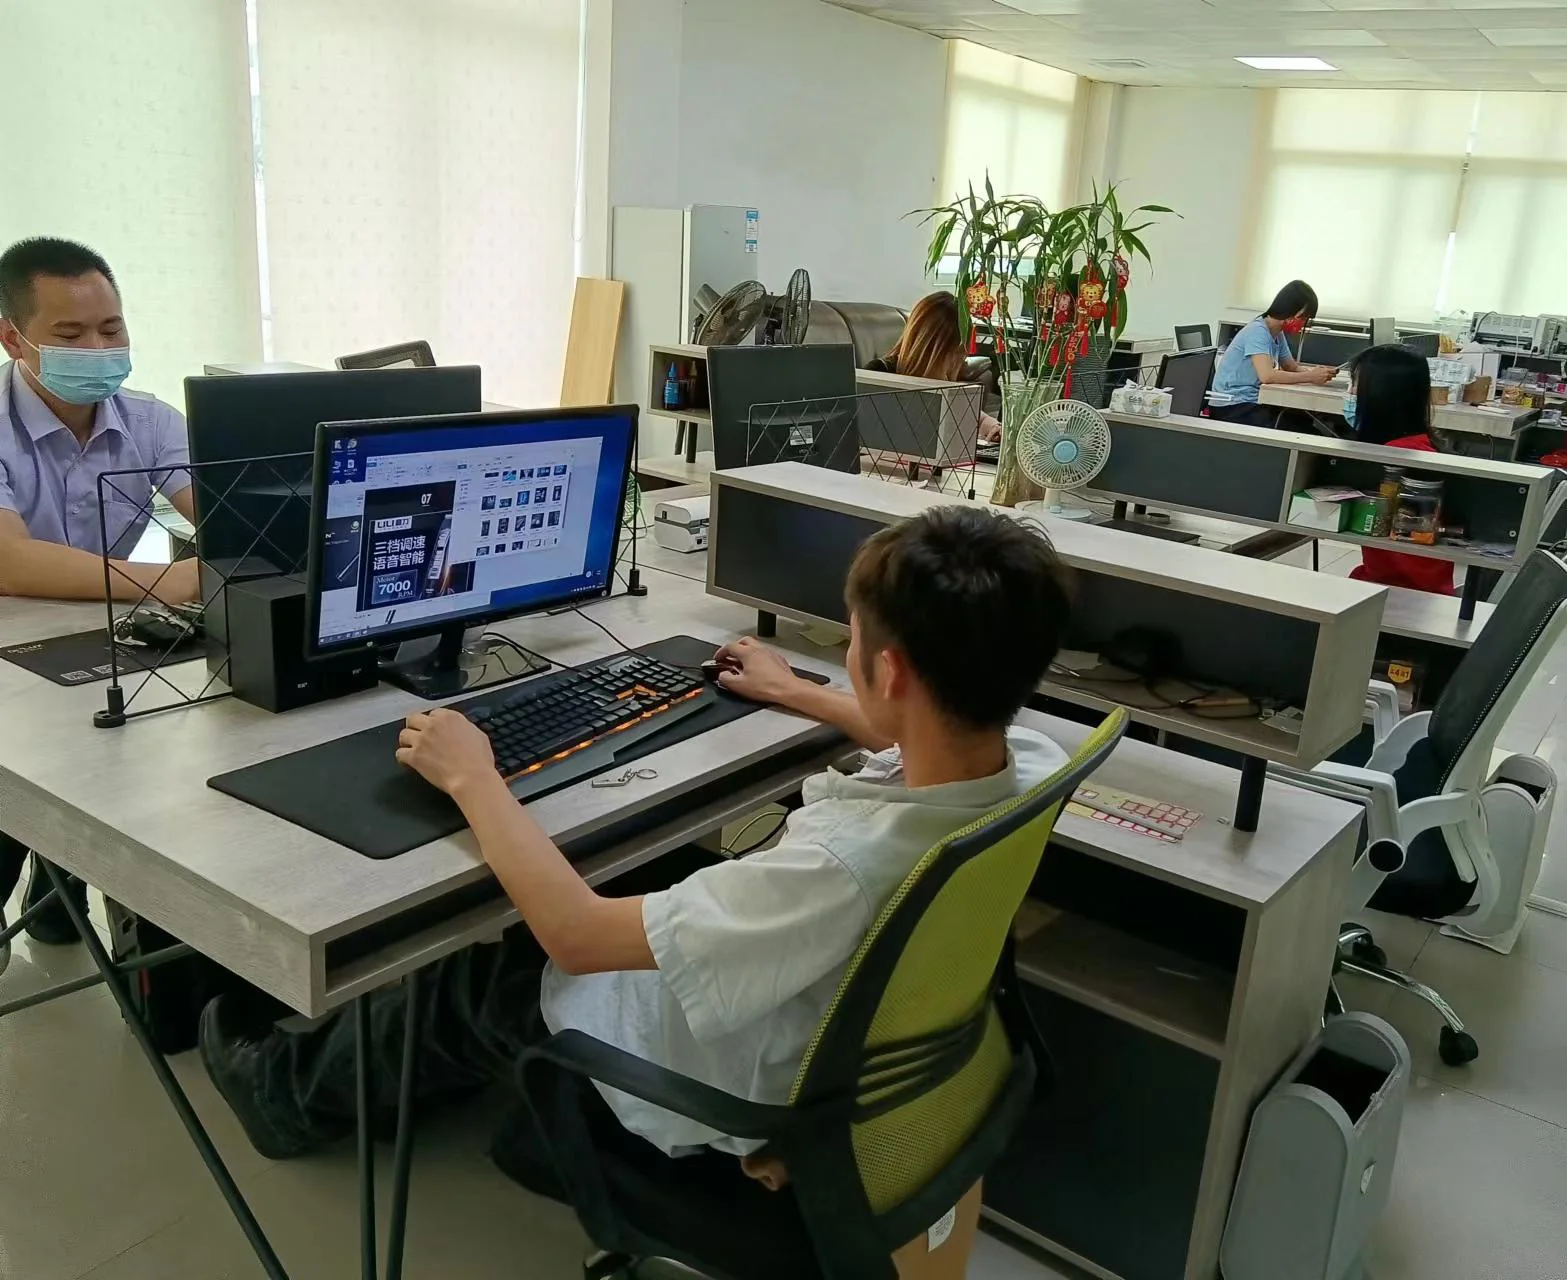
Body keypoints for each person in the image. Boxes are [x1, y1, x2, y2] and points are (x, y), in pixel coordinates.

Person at [197, 505, 1073, 1166]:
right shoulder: (1028, 760)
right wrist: (794, 691)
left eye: (851, 642)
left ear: (890, 669)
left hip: (719, 1079)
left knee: (484, 976)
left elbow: (577, 938)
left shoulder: (839, 869)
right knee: (634, 868)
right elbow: (904, 732)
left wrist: (474, 777)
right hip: (820, 1030)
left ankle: (283, 1099)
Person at [0, 237, 199, 948]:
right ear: (13, 339)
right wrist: (169, 580)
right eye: (71, 334)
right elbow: (11, 563)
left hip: (95, 635)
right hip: (6, 652)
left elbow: (230, 516)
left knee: (139, 759)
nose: (98, 349)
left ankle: (78, 898)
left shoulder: (150, 421)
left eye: (111, 329)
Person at [1342, 343, 1455, 596]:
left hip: (1403, 590)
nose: (1351, 391)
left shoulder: (1400, 458)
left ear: (1382, 392)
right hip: (1395, 581)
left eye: (1357, 383)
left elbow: (1405, 565)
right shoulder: (1415, 444)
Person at [870, 290, 1003, 442]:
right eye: (956, 354)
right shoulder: (879, 374)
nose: (959, 362)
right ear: (933, 349)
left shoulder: (946, 385)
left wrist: (991, 425)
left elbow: (974, 415)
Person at [1209, 279, 1336, 428]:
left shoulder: (1276, 332)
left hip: (1252, 401)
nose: (1303, 323)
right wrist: (1310, 377)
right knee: (1298, 428)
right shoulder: (1258, 331)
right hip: (1232, 406)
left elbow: (1291, 367)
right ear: (1290, 310)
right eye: (1303, 317)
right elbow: (1267, 376)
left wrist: (1317, 373)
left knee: (1302, 421)